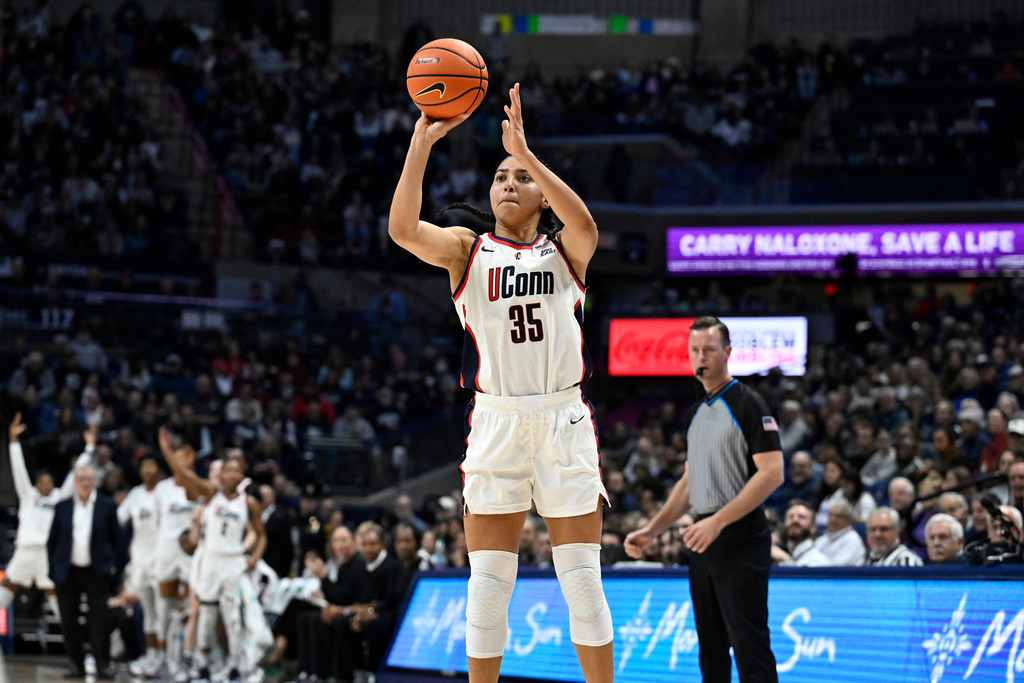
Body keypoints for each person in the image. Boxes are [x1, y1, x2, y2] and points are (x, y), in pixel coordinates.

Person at [388, 83, 613, 683]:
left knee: (582, 582)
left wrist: (527, 151)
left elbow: (586, 221)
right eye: (500, 176)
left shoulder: (568, 251)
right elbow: (403, 230)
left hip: (563, 418)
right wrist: (421, 142)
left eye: (521, 178)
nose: (508, 184)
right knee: (488, 586)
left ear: (543, 195)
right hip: (496, 419)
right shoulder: (468, 249)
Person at [624, 316, 784, 683]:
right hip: (703, 537)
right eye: (695, 350)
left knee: (748, 643)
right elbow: (689, 480)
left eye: (709, 349)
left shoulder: (749, 403)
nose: (701, 357)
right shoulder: (697, 412)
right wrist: (652, 529)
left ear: (728, 352)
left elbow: (773, 473)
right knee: (710, 646)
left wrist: (718, 521)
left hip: (740, 535)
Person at [159, 427, 266, 682]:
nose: (231, 474)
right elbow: (184, 475)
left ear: (242, 476)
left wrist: (252, 558)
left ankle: (235, 666)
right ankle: (201, 665)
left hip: (232, 562)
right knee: (204, 613)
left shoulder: (248, 503)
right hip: (209, 559)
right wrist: (166, 452)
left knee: (232, 618)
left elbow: (260, 534)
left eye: (236, 471)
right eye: (227, 470)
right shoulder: (210, 493)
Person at [1, 413, 88, 623]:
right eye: (42, 481)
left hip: (47, 554)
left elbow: (74, 475)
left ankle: (75, 646)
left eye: (49, 481)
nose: (46, 485)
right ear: (37, 483)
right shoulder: (28, 496)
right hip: (24, 551)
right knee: (5, 591)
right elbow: (18, 470)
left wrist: (89, 449)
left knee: (56, 599)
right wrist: (13, 441)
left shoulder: (59, 498)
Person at [47, 463, 122, 681]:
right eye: (81, 479)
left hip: (96, 572)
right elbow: (52, 542)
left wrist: (112, 567)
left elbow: (116, 540)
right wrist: (53, 568)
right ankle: (76, 664)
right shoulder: (62, 507)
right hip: (67, 572)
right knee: (69, 621)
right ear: (75, 482)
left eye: (89, 479)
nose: (85, 483)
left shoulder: (107, 506)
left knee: (99, 622)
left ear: (95, 482)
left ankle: (102, 666)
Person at [118, 453, 165, 678]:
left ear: (159, 468)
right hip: (140, 561)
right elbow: (118, 519)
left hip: (164, 561)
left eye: (151, 464)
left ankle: (166, 657)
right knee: (147, 612)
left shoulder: (166, 491)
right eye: (143, 466)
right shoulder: (135, 495)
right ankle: (151, 655)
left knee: (164, 612)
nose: (147, 470)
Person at [773, 500, 829, 566]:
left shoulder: (818, 561)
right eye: (791, 517)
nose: (795, 520)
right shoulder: (787, 555)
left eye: (801, 517)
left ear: (813, 527)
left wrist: (786, 559)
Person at [812, 500, 867, 566]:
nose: (832, 519)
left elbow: (838, 567)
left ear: (848, 520)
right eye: (830, 514)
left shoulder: (852, 539)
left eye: (838, 516)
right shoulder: (823, 538)